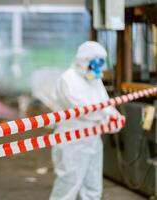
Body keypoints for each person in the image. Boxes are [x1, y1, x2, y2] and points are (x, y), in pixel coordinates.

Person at [50, 41, 121, 200]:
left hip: (93, 139)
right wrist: (105, 116)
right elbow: (84, 111)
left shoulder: (94, 79)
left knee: (93, 183)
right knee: (69, 184)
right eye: (96, 63)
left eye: (101, 64)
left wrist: (113, 114)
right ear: (83, 61)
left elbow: (105, 103)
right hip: (72, 139)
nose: (98, 69)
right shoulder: (68, 80)